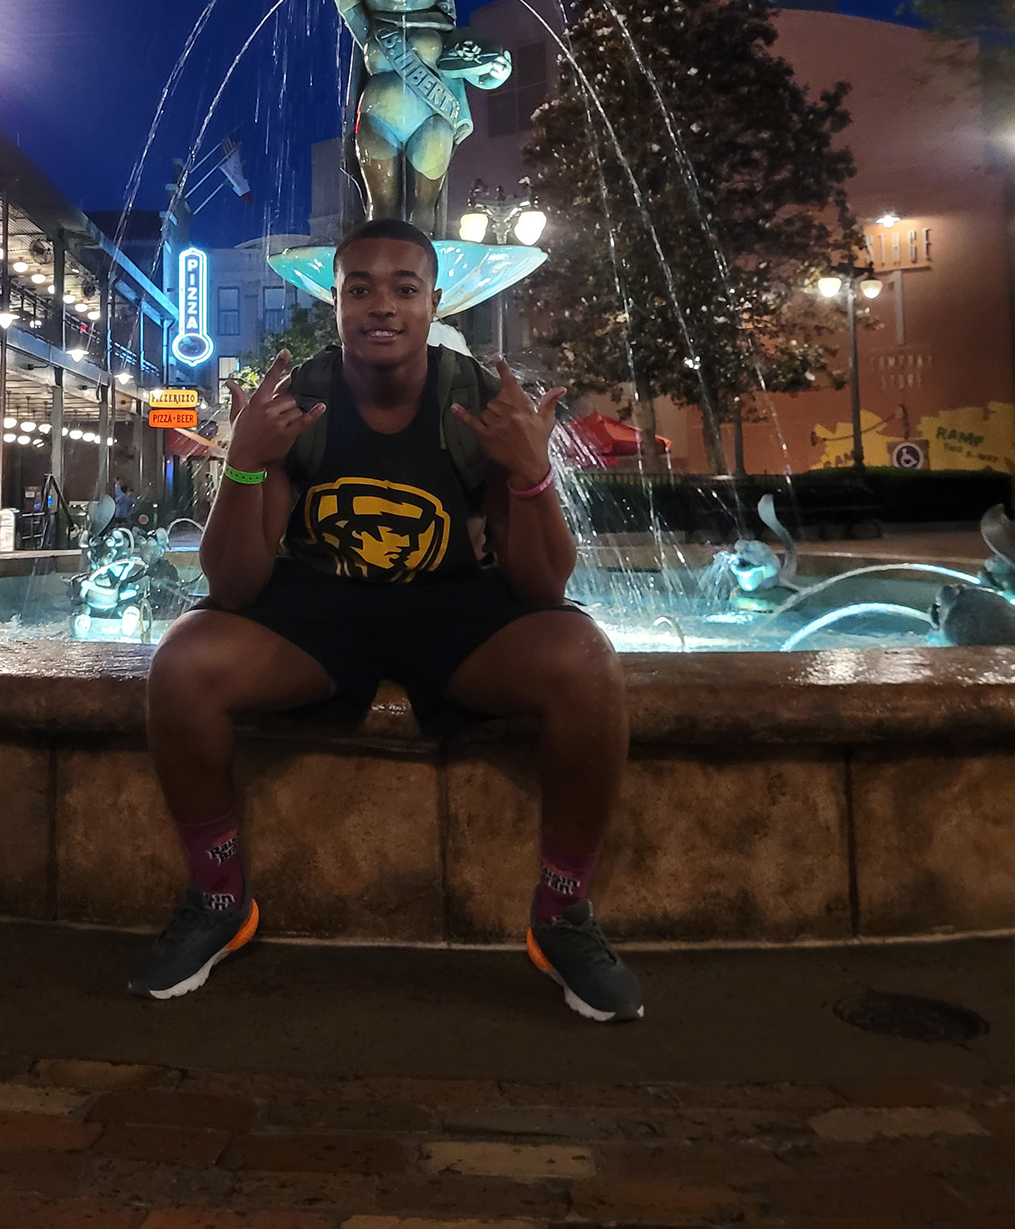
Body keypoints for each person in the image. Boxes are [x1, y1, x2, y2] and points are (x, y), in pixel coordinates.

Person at [131, 218, 641, 1022]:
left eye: (404, 289)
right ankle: (220, 896)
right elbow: (231, 586)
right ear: (333, 304)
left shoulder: (473, 400)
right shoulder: (300, 401)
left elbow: (541, 586)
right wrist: (245, 460)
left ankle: (563, 913)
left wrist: (533, 474)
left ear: (434, 303)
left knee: (586, 662)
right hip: (320, 607)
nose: (382, 306)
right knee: (184, 663)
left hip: (450, 605)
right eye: (359, 288)